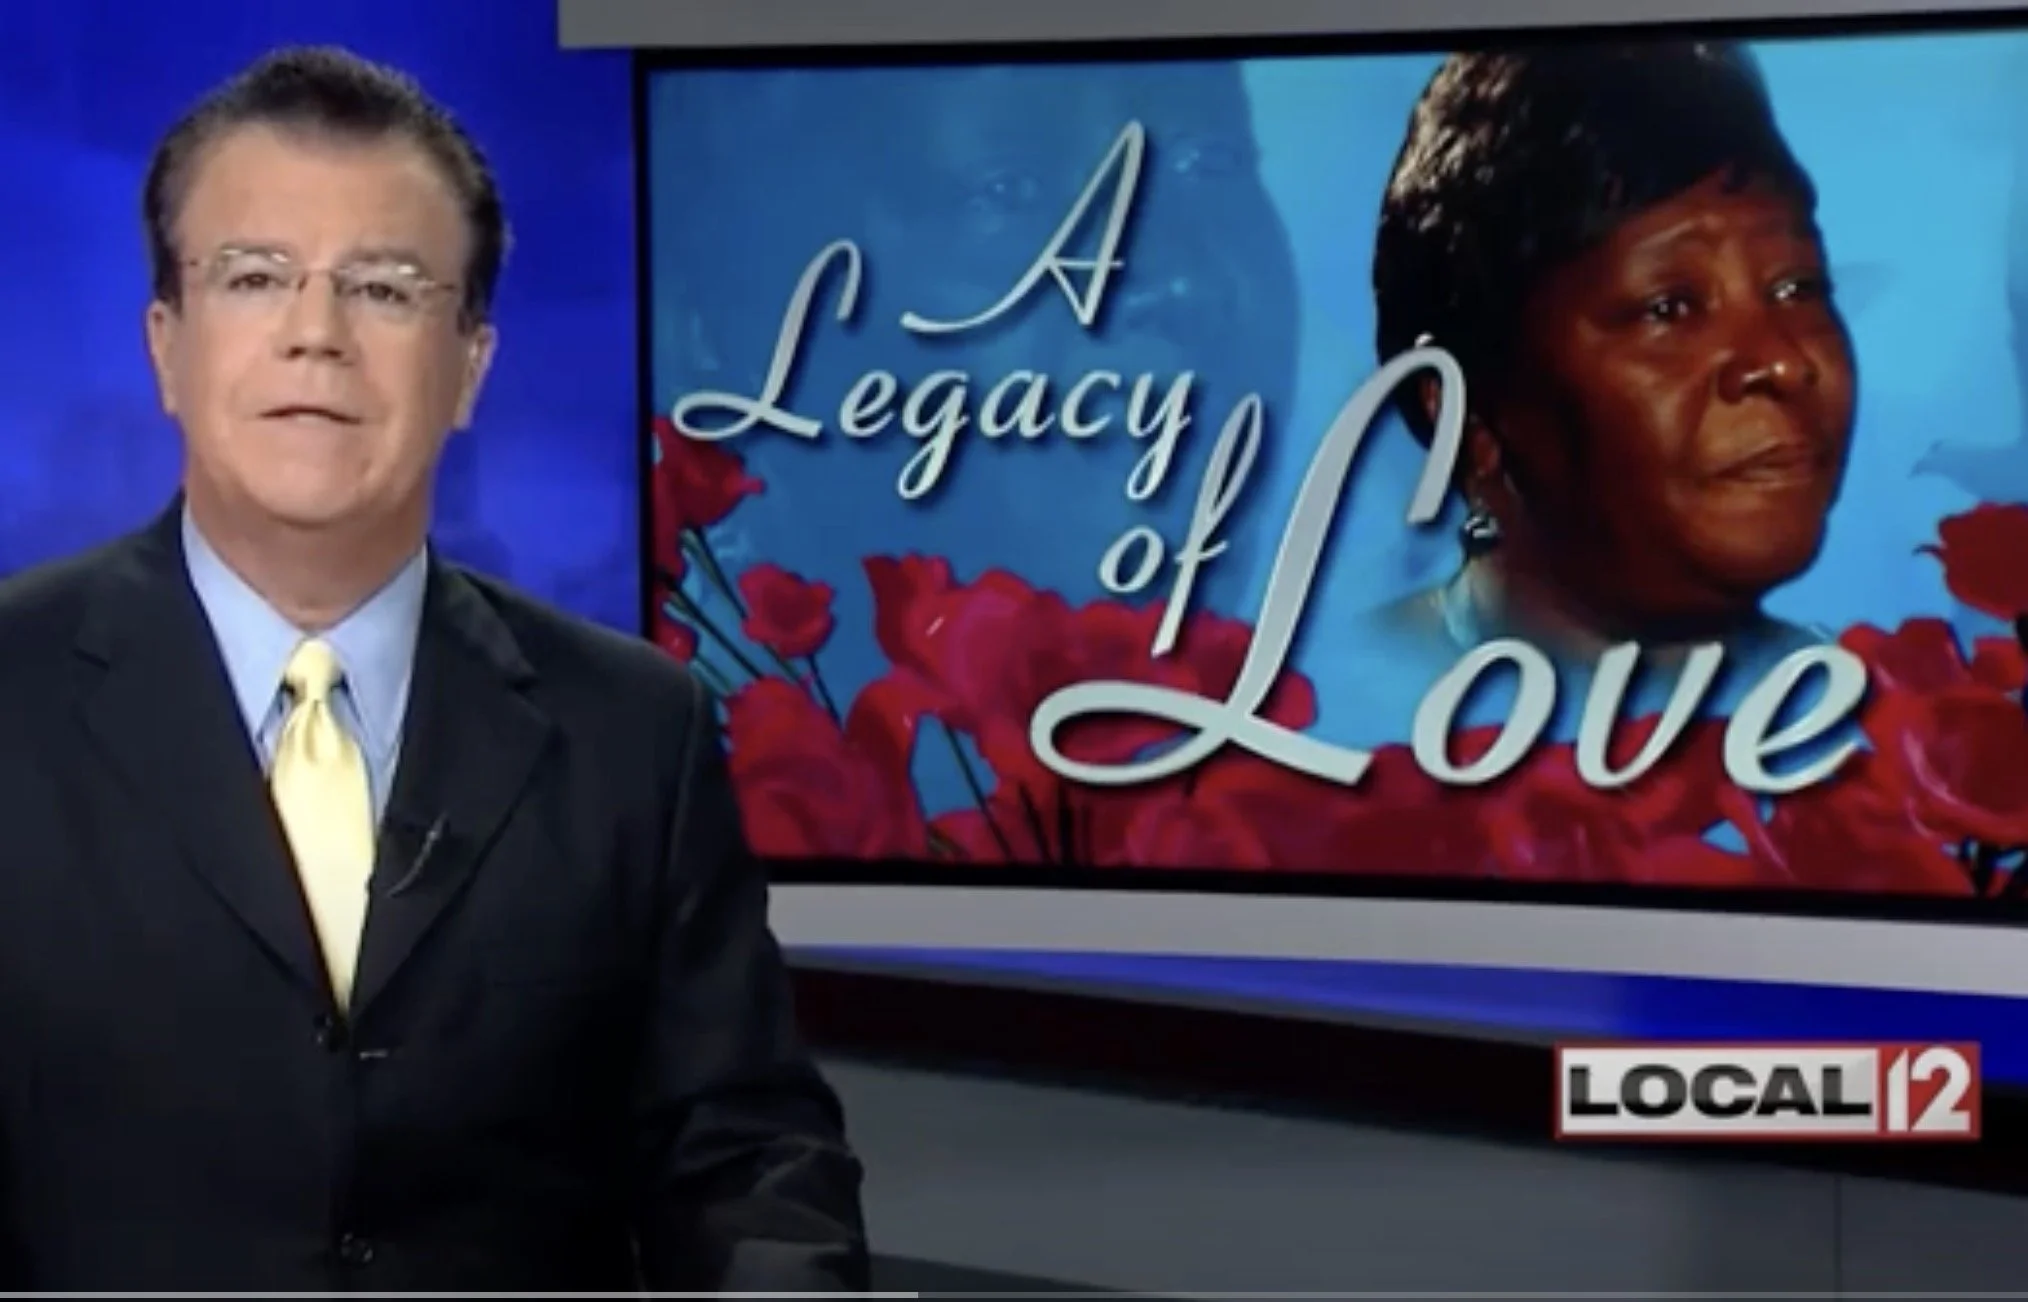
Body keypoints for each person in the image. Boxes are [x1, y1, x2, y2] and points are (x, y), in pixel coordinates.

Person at [0, 46, 867, 1291]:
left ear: (469, 366)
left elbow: (744, 1160)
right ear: (166, 345)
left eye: (385, 289)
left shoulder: (632, 729)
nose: (316, 335)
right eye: (255, 277)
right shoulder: (16, 692)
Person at [1364, 41, 1858, 722]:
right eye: (1670, 308)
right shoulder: (1330, 718)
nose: (1781, 362)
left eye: (1798, 288)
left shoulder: (1890, 729)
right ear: (1467, 417)